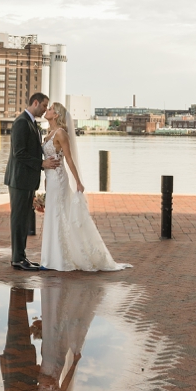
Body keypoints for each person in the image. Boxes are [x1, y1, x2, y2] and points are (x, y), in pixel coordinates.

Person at [39, 102, 130, 272]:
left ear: (56, 115)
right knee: (52, 215)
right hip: (50, 180)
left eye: (50, 109)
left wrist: (78, 182)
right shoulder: (48, 134)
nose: (47, 110)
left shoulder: (61, 134)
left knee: (59, 215)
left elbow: (69, 160)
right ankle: (50, 258)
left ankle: (58, 260)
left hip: (59, 180)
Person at [4, 92, 60, 271]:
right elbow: (19, 153)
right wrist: (42, 163)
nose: (45, 110)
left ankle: (22, 257)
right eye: (44, 106)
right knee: (19, 219)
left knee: (23, 219)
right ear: (35, 103)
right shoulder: (21, 122)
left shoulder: (31, 123)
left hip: (26, 180)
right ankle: (17, 259)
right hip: (19, 179)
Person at [0, 286, 43, 391]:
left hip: (16, 360)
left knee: (16, 322)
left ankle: (18, 291)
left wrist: (37, 378)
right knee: (20, 323)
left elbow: (16, 388)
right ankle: (21, 293)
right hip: (21, 359)